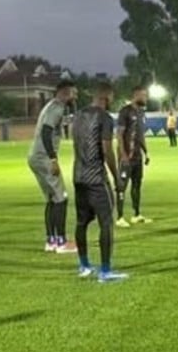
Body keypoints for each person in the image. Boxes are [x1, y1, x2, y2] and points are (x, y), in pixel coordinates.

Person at [72, 82, 127, 282]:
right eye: (111, 98)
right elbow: (106, 150)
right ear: (106, 97)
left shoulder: (77, 116)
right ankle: (105, 271)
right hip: (96, 178)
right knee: (106, 223)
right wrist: (115, 176)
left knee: (81, 222)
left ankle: (84, 266)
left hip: (78, 176)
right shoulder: (104, 117)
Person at [27, 79, 78, 254]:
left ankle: (51, 241)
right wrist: (53, 159)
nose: (75, 96)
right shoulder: (57, 108)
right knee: (61, 198)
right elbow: (47, 132)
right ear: (65, 93)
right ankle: (62, 242)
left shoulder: (50, 106)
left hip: (35, 157)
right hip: (43, 158)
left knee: (51, 198)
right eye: (73, 93)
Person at [116, 86, 152, 228]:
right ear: (136, 95)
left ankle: (136, 215)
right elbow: (119, 134)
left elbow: (140, 135)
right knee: (122, 187)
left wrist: (146, 152)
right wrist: (123, 154)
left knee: (137, 185)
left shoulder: (140, 113)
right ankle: (119, 217)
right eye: (144, 95)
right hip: (127, 157)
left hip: (137, 156)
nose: (146, 98)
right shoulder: (125, 112)